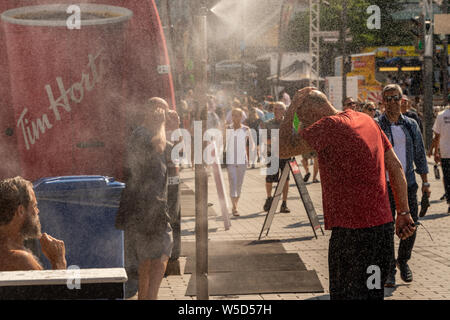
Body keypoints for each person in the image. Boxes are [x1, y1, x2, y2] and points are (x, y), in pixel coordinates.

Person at [279, 87, 415, 300]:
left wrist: (290, 109)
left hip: (351, 234)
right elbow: (396, 167)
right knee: (372, 294)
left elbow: (284, 148)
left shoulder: (329, 126)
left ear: (314, 109)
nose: (304, 124)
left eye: (303, 117)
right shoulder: (367, 120)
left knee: (344, 295)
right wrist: (404, 212)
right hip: (381, 231)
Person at [115, 97, 173, 300]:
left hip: (146, 205)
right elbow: (159, 145)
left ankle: (146, 298)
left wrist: (168, 125)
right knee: (162, 251)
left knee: (148, 258)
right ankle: (150, 298)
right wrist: (161, 124)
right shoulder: (143, 133)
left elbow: (166, 148)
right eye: (163, 112)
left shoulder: (145, 133)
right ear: (155, 112)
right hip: (148, 205)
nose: (165, 116)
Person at [375, 84, 430, 288]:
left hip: (408, 184)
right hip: (385, 186)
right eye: (387, 98)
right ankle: (389, 268)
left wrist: (425, 182)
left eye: (395, 98)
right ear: (382, 101)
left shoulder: (411, 125)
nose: (391, 102)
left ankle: (403, 260)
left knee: (411, 225)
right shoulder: (376, 125)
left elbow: (420, 155)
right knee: (386, 229)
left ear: (401, 100)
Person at [0, 176, 67, 271]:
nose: (37, 211)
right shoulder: (20, 260)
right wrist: (58, 261)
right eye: (34, 206)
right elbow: (56, 286)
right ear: (21, 211)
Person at [263, 102, 291, 213]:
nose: (277, 111)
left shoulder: (288, 123)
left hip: (286, 155)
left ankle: (284, 203)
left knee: (285, 180)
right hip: (272, 154)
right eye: (275, 109)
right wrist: (276, 139)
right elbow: (265, 140)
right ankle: (269, 198)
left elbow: (293, 137)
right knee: (269, 179)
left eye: (280, 109)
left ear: (284, 111)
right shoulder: (267, 123)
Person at [225, 108, 253, 216]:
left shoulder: (246, 129)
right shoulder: (228, 128)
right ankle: (234, 207)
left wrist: (251, 158)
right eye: (234, 115)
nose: (236, 118)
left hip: (242, 160)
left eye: (238, 116)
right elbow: (223, 143)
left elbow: (251, 145)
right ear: (231, 117)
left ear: (242, 117)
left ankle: (235, 204)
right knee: (233, 181)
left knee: (239, 184)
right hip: (231, 160)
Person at [431, 106, 450, 214]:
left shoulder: (441, 115)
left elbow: (437, 135)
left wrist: (436, 152)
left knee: (447, 179)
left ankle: (449, 203)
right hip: (445, 152)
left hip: (445, 152)